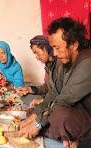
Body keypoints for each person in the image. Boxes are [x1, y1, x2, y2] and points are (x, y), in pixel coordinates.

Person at [19, 17, 91, 148]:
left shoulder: (87, 62)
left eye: (57, 47)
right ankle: (65, 136)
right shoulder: (66, 60)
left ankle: (76, 138)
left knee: (60, 115)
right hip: (77, 113)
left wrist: (37, 124)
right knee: (34, 112)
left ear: (74, 44)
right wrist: (35, 115)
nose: (55, 53)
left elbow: (63, 99)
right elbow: (54, 92)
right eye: (53, 48)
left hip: (85, 118)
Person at [16, 35, 55, 107]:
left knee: (36, 104)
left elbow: (62, 92)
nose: (37, 57)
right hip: (51, 97)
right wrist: (29, 89)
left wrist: (44, 100)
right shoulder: (48, 65)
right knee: (26, 96)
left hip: (58, 100)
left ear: (46, 48)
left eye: (37, 52)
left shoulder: (58, 64)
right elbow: (46, 87)